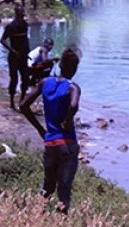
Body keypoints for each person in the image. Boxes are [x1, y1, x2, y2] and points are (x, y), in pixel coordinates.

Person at [20, 47, 82, 215]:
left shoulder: (45, 83)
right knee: (64, 189)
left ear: (60, 65)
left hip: (50, 142)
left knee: (48, 185)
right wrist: (68, 120)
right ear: (74, 69)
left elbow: (23, 106)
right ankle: (61, 225)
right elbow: (74, 105)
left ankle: (35, 215)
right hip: (67, 142)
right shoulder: (72, 87)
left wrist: (41, 129)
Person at [0, 5, 30, 111]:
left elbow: (25, 39)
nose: (22, 16)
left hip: (23, 56)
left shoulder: (25, 25)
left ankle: (22, 100)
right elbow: (2, 40)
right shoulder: (11, 26)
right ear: (16, 14)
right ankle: (12, 102)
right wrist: (12, 50)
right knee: (14, 79)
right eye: (20, 14)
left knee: (25, 78)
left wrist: (27, 52)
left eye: (23, 14)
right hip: (14, 56)